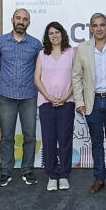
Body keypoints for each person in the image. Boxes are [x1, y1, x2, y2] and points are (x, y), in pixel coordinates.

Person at [0, 8, 43, 187]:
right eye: (18, 18)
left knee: (29, 135)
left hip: (29, 95)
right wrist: (10, 82)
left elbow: (40, 70)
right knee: (7, 136)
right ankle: (6, 171)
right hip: (6, 95)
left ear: (29, 22)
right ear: (12, 19)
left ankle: (27, 170)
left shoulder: (36, 44)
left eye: (25, 19)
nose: (21, 21)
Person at [72, 13, 106, 194]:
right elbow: (76, 77)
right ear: (90, 28)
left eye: (102, 25)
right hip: (92, 102)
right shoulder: (82, 48)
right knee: (97, 143)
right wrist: (79, 102)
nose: (99, 28)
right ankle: (99, 178)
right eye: (95, 25)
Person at [34, 22, 76, 192]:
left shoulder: (72, 52)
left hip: (67, 103)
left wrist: (66, 97)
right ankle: (52, 175)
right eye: (51, 33)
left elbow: (77, 77)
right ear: (47, 36)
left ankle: (64, 174)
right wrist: (49, 97)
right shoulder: (42, 54)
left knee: (65, 140)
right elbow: (37, 79)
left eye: (57, 32)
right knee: (49, 140)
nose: (54, 36)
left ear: (62, 34)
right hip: (46, 104)